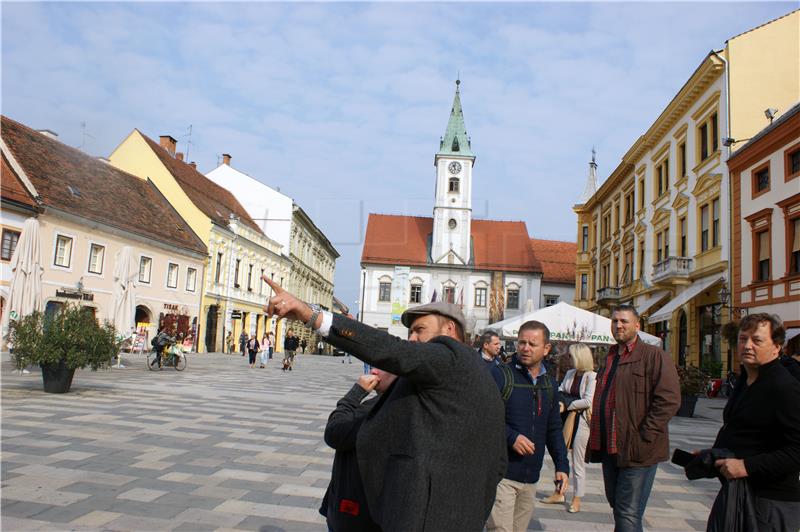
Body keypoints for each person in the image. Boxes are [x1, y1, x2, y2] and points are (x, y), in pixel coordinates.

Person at [263, 276, 506, 532]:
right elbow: (499, 462)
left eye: (420, 330)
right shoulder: (473, 377)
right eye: (410, 332)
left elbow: (390, 349)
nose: (411, 338)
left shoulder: (450, 356)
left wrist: (309, 314)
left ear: (449, 331)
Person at [586, 305, 680, 532]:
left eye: (624, 321)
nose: (619, 325)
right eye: (615, 321)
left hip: (638, 449)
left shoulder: (653, 355)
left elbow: (669, 399)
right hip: (610, 446)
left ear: (637, 325)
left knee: (628, 512)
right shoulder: (610, 356)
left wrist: (645, 434)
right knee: (618, 507)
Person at [708, 313, 800, 531]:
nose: (747, 346)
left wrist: (746, 466)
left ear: (777, 347)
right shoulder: (746, 378)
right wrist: (712, 454)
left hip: (770, 501)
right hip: (739, 492)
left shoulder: (784, 387)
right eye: (743, 339)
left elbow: (797, 450)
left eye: (757, 340)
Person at [487, 320, 570, 532]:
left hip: (531, 478)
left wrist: (562, 465)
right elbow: (485, 417)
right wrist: (511, 437)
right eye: (521, 342)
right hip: (501, 475)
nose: (525, 348)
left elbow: (553, 428)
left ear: (546, 348)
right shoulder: (500, 375)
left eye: (532, 344)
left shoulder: (549, 384)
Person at [320, 368, 398, 532]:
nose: (373, 370)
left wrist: (356, 393)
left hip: (354, 514)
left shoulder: (378, 409)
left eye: (383, 367)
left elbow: (334, 433)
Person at [541, 343, 596, 513]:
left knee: (577, 462)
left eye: (571, 356)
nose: (568, 358)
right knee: (560, 455)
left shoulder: (592, 377)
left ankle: (577, 498)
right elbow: (559, 391)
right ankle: (559, 491)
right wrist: (563, 402)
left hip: (582, 422)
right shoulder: (571, 374)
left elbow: (588, 401)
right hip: (567, 420)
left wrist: (567, 405)